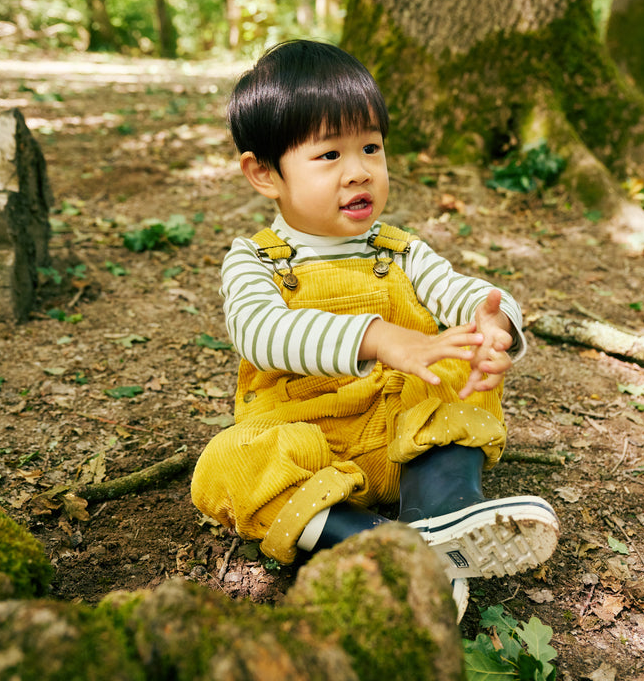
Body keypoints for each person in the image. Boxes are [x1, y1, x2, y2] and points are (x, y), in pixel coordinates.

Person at [190, 39, 558, 616]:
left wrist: (496, 324)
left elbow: (461, 291)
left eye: (370, 147)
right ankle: (384, 549)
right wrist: (378, 336)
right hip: (310, 447)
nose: (359, 171)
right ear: (264, 173)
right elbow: (259, 331)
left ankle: (442, 511)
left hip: (404, 442)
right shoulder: (254, 260)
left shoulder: (400, 249)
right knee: (228, 461)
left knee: (457, 360)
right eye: (329, 156)